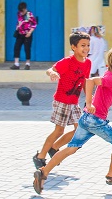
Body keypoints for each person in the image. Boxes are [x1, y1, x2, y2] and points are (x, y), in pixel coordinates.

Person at [33, 43, 112, 194]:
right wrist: (89, 103)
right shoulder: (109, 78)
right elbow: (90, 81)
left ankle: (43, 172)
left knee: (71, 148)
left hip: (86, 119)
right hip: (95, 120)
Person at [33, 32, 91, 170]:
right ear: (73, 47)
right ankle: (40, 157)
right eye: (83, 45)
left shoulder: (88, 63)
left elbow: (85, 82)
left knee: (80, 130)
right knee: (59, 131)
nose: (86, 48)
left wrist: (89, 98)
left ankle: (54, 148)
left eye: (88, 45)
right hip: (62, 101)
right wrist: (52, 73)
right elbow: (50, 70)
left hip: (74, 102)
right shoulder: (67, 62)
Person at [11, 2, 37, 70]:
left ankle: (27, 64)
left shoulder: (30, 14)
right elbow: (19, 21)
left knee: (27, 48)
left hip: (27, 34)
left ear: (25, 9)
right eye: (20, 11)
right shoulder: (19, 14)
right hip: (20, 33)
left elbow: (34, 24)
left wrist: (30, 32)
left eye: (22, 11)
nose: (21, 13)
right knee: (16, 47)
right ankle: (16, 64)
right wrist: (17, 27)